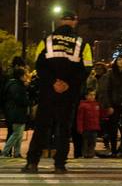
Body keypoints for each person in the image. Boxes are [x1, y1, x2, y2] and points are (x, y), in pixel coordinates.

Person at [22, 10, 92, 173]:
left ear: (60, 21)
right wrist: (68, 83)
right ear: (75, 22)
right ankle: (59, 164)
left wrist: (53, 82)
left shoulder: (46, 41)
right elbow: (87, 68)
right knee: (64, 128)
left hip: (48, 91)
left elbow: (38, 65)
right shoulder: (83, 43)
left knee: (42, 126)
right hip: (69, 93)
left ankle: (32, 162)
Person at [1, 67, 29, 158]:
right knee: (16, 133)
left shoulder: (16, 84)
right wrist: (29, 102)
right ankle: (5, 152)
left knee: (19, 135)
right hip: (16, 113)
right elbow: (19, 99)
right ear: (21, 76)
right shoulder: (16, 86)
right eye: (25, 75)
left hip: (17, 112)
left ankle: (17, 153)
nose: (26, 76)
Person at [76, 90, 101, 158]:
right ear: (86, 96)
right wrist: (80, 128)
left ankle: (91, 154)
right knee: (85, 142)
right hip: (86, 128)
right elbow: (80, 118)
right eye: (90, 95)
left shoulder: (97, 105)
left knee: (93, 142)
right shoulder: (83, 105)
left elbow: (100, 115)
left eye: (94, 95)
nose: (92, 96)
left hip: (94, 127)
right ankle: (85, 154)